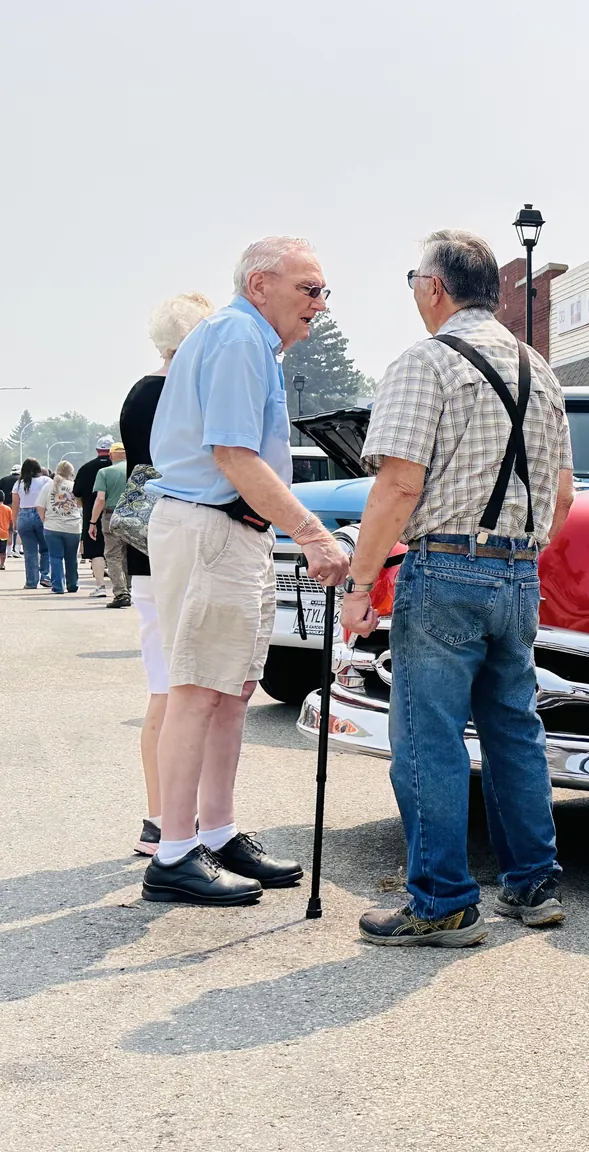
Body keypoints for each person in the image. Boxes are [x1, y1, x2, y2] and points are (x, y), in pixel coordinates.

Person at [342, 230, 574, 948]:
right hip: (518, 571)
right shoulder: (541, 371)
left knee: (428, 736)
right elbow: (564, 496)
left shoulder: (425, 362)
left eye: (416, 277)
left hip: (445, 566)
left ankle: (442, 899)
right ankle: (533, 885)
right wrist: (519, 556)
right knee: (514, 729)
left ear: (435, 288)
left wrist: (358, 583)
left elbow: (399, 483)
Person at [141, 238, 349, 906]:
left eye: (322, 292)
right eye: (309, 289)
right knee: (200, 689)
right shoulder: (237, 336)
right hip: (210, 526)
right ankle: (174, 851)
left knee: (230, 689)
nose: (319, 304)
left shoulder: (250, 341)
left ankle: (219, 831)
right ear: (261, 284)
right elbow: (231, 453)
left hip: (232, 531)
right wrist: (313, 534)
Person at [121, 291, 214, 856]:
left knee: (162, 686)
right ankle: (175, 819)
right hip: (177, 547)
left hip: (144, 553)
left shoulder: (139, 392)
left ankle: (159, 815)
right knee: (182, 691)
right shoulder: (178, 394)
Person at [90, 442, 130, 608]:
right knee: (129, 554)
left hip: (111, 515)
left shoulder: (104, 472)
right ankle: (131, 588)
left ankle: (121, 593)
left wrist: (92, 522)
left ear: (111, 456)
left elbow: (100, 499)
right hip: (132, 514)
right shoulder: (135, 470)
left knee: (113, 555)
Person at [75, 436, 115, 598]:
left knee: (96, 551)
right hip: (117, 514)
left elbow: (76, 493)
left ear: (97, 450)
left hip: (93, 515)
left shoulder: (86, 468)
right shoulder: (121, 468)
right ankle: (123, 587)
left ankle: (101, 586)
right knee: (118, 551)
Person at [39, 459, 82, 593]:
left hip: (52, 527)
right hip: (73, 527)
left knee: (55, 557)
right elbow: (80, 505)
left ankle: (58, 586)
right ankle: (72, 584)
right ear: (71, 473)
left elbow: (40, 506)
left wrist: (44, 520)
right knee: (71, 557)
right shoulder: (74, 485)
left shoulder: (48, 486)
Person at [12, 459, 49, 586]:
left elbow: (15, 505)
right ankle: (45, 576)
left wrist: (14, 521)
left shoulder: (18, 484)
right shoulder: (45, 481)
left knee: (30, 552)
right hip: (42, 515)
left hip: (24, 516)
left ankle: (31, 582)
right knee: (46, 548)